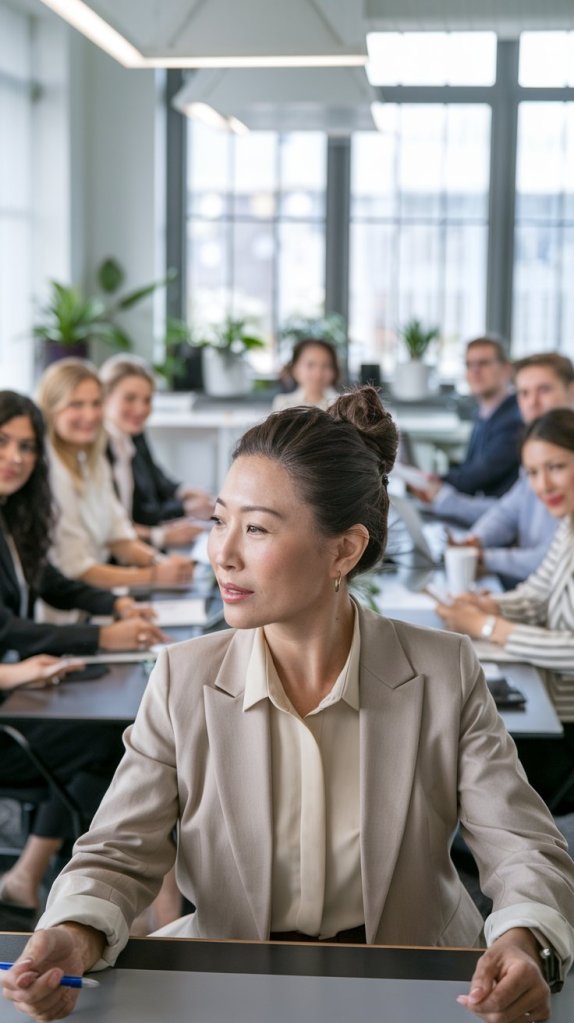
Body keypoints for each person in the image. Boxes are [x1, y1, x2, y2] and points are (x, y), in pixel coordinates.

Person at [4, 389, 574, 1023]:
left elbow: (523, 847)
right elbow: (117, 851)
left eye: (256, 528)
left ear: (343, 551)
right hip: (231, 978)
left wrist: (522, 941)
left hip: (421, 979)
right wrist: (74, 932)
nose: (223, 552)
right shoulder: (182, 677)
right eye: (220, 520)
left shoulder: (442, 670)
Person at [434, 407, 574, 808]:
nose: (542, 484)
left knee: (451, 743)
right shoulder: (568, 526)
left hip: (564, 733)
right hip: (551, 708)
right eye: (532, 472)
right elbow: (537, 594)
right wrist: (489, 604)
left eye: (556, 467)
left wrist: (488, 627)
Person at [0, 391, 167, 658]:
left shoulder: (11, 510)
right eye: (2, 441)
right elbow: (4, 628)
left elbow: (44, 578)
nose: (15, 457)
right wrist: (102, 637)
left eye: (26, 447)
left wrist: (117, 604)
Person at [36, 360, 194, 591]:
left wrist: (162, 563)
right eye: (76, 404)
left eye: (95, 403)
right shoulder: (49, 471)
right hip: (63, 610)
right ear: (51, 409)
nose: (89, 415)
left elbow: (117, 533)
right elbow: (76, 569)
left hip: (96, 599)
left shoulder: (91, 460)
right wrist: (154, 574)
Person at [433, 353, 574, 586]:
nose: (532, 402)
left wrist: (482, 558)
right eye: (524, 393)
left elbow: (555, 557)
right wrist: (475, 541)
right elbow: (508, 510)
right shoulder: (534, 449)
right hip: (540, 588)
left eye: (544, 390)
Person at [0, 655, 125, 915]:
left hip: (12, 706)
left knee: (108, 742)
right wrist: (14, 673)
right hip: (6, 737)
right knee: (110, 742)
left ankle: (24, 875)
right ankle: (159, 903)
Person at [100, 354, 213, 548]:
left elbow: (155, 477)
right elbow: (135, 514)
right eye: (130, 398)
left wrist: (183, 492)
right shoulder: (100, 449)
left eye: (147, 400)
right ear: (105, 397)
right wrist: (183, 510)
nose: (141, 409)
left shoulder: (133, 433)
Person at [412, 336, 522, 499]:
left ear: (506, 369)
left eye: (483, 363)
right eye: (469, 364)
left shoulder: (514, 419)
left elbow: (477, 477)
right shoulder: (482, 414)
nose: (474, 371)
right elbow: (470, 469)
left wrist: (435, 480)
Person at [272, 338, 339, 411]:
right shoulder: (283, 403)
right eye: (310, 365)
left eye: (326, 365)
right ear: (295, 368)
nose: (318, 374)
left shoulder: (342, 405)